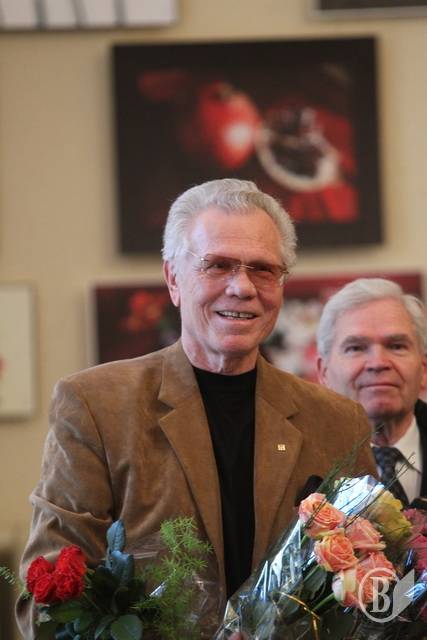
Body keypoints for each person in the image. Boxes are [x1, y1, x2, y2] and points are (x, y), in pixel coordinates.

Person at [17, 179, 375, 637]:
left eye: (263, 269)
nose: (242, 287)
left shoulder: (338, 421)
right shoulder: (95, 405)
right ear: (173, 279)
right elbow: (46, 605)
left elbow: (371, 590)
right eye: (217, 265)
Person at [317, 277, 427, 507]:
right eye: (356, 348)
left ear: (423, 369)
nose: (378, 363)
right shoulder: (295, 461)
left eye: (396, 346)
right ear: (323, 372)